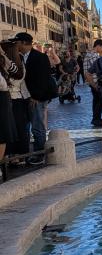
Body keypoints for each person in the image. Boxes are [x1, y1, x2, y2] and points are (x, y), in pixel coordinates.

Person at [15, 33, 56, 162]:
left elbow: (43, 78)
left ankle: (40, 154)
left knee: (38, 126)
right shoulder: (20, 57)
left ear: (23, 43)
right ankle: (28, 153)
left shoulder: (40, 57)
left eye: (17, 42)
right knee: (27, 126)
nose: (16, 45)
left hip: (37, 98)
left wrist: (37, 97)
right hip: (26, 97)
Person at [83, 39, 102, 128]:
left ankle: (96, 118)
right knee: (99, 101)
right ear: (98, 46)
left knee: (97, 101)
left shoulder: (91, 54)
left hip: (93, 81)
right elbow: (98, 67)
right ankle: (96, 119)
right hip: (95, 81)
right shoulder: (92, 55)